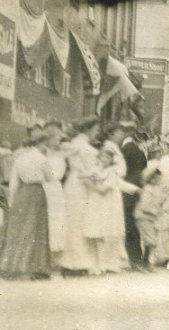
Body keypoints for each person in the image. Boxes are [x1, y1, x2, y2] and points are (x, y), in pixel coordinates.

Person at [0, 130, 54, 279]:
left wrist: (12, 200)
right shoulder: (42, 159)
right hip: (36, 193)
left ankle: (10, 266)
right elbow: (51, 177)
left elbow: (13, 183)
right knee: (37, 228)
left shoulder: (20, 158)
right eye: (46, 144)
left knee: (18, 228)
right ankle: (37, 268)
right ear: (42, 143)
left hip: (21, 194)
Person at [82, 148, 140, 274]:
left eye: (108, 158)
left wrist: (92, 184)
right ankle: (93, 264)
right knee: (93, 234)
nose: (105, 160)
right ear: (99, 158)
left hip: (104, 203)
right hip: (94, 202)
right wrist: (90, 178)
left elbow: (105, 189)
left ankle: (103, 264)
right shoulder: (94, 170)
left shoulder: (111, 173)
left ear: (111, 161)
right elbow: (82, 176)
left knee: (103, 234)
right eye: (103, 157)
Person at [58, 116, 101, 276]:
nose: (97, 133)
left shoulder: (74, 145)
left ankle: (69, 262)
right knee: (81, 223)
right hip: (82, 186)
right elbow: (89, 171)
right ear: (88, 130)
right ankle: (77, 263)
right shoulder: (86, 148)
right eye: (96, 130)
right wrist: (97, 173)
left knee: (72, 223)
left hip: (72, 184)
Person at [135, 133, 169, 266]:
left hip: (164, 195)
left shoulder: (165, 161)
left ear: (168, 147)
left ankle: (163, 256)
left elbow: (157, 179)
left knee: (163, 227)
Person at [121, 126, 148, 270]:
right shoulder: (138, 151)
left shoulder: (124, 150)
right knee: (131, 223)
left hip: (125, 190)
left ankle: (135, 258)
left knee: (128, 224)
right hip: (135, 189)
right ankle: (136, 258)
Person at [42, 122, 67, 256]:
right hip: (46, 187)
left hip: (55, 189)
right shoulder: (43, 152)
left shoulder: (61, 154)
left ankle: (54, 252)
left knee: (56, 218)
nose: (59, 140)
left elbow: (59, 173)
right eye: (56, 137)